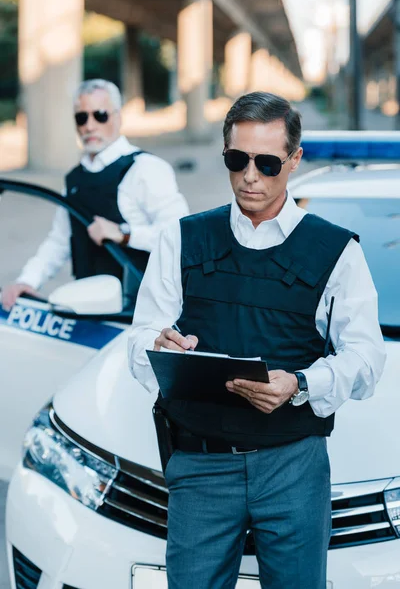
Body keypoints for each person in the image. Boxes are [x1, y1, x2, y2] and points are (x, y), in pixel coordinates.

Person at [128, 92, 386, 589]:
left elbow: (367, 358)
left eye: (268, 163)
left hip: (294, 467)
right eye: (237, 159)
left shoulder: (336, 251)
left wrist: (303, 383)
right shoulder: (180, 239)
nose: (251, 176)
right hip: (199, 468)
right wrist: (158, 348)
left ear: (294, 160)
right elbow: (141, 339)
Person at [2, 79, 189, 310]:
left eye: (100, 115)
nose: (89, 126)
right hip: (87, 310)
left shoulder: (146, 168)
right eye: (81, 117)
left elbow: (179, 235)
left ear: (118, 117)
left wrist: (125, 234)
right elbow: (59, 241)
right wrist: (26, 281)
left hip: (140, 312)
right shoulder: (75, 179)